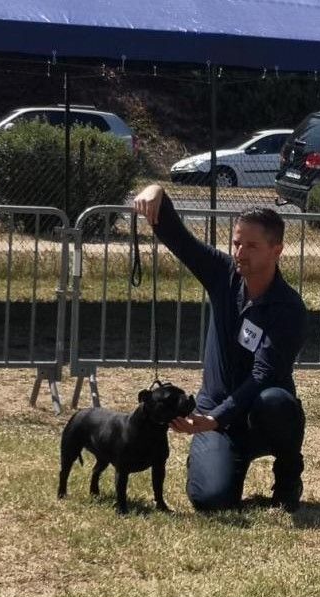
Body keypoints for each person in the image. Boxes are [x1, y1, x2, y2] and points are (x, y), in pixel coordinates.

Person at [133, 184, 307, 512]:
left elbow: (263, 374)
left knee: (278, 401)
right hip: (215, 411)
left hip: (259, 414)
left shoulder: (289, 309)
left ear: (277, 251)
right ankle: (219, 462)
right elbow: (180, 239)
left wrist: (216, 418)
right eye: (237, 243)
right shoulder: (222, 274)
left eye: (251, 246)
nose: (240, 253)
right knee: (211, 500)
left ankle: (288, 478)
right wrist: (157, 192)